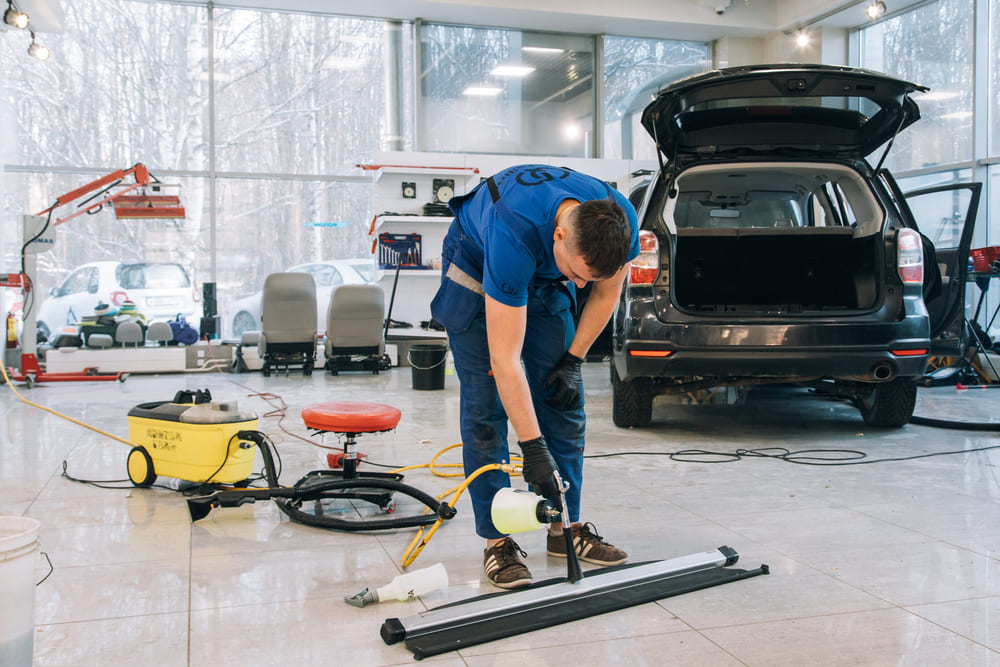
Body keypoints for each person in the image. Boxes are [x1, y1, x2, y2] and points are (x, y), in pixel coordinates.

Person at [430, 164, 640, 589]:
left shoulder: (620, 222)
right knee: (486, 408)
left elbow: (606, 292)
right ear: (560, 235)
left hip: (545, 274)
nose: (578, 285)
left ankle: (565, 529)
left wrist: (574, 360)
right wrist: (533, 448)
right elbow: (505, 360)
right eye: (577, 274)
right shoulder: (512, 230)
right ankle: (497, 541)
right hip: (478, 264)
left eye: (586, 278)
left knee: (563, 399)